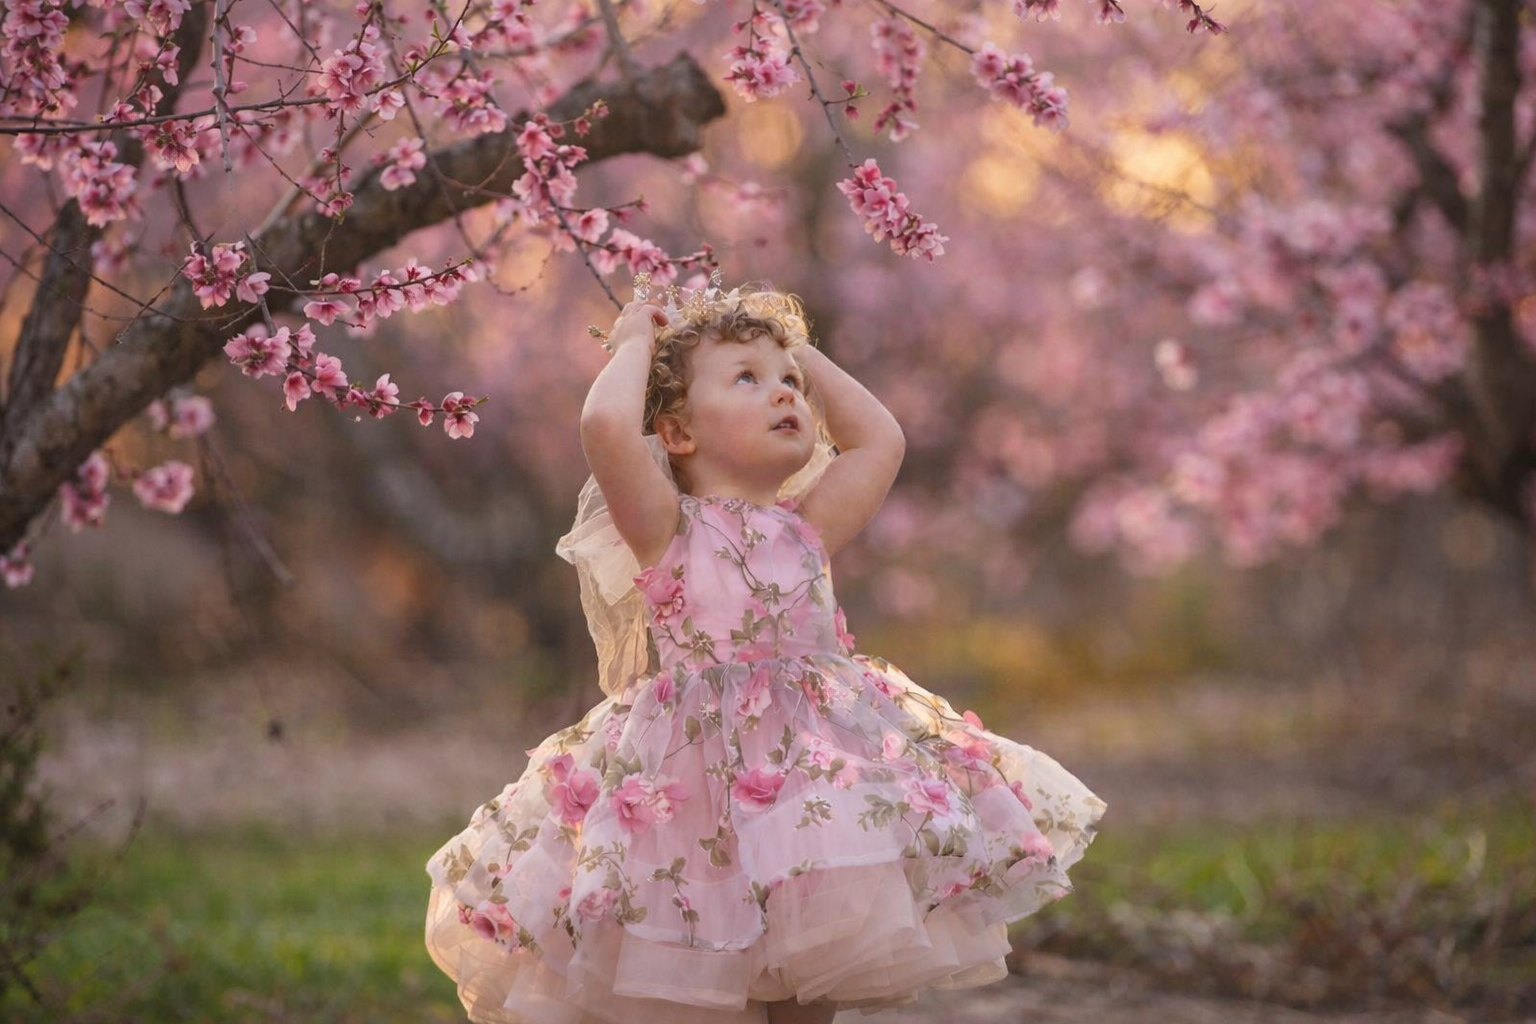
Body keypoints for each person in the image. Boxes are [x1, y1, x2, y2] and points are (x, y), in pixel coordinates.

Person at [424, 271, 1108, 1024]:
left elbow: (882, 437)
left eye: (790, 384)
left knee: (811, 981)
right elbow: (607, 429)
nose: (785, 394)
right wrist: (632, 343)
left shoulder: (808, 526)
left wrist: (798, 351)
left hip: (812, 780)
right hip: (694, 794)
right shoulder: (667, 528)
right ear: (680, 434)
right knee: (715, 981)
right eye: (748, 380)